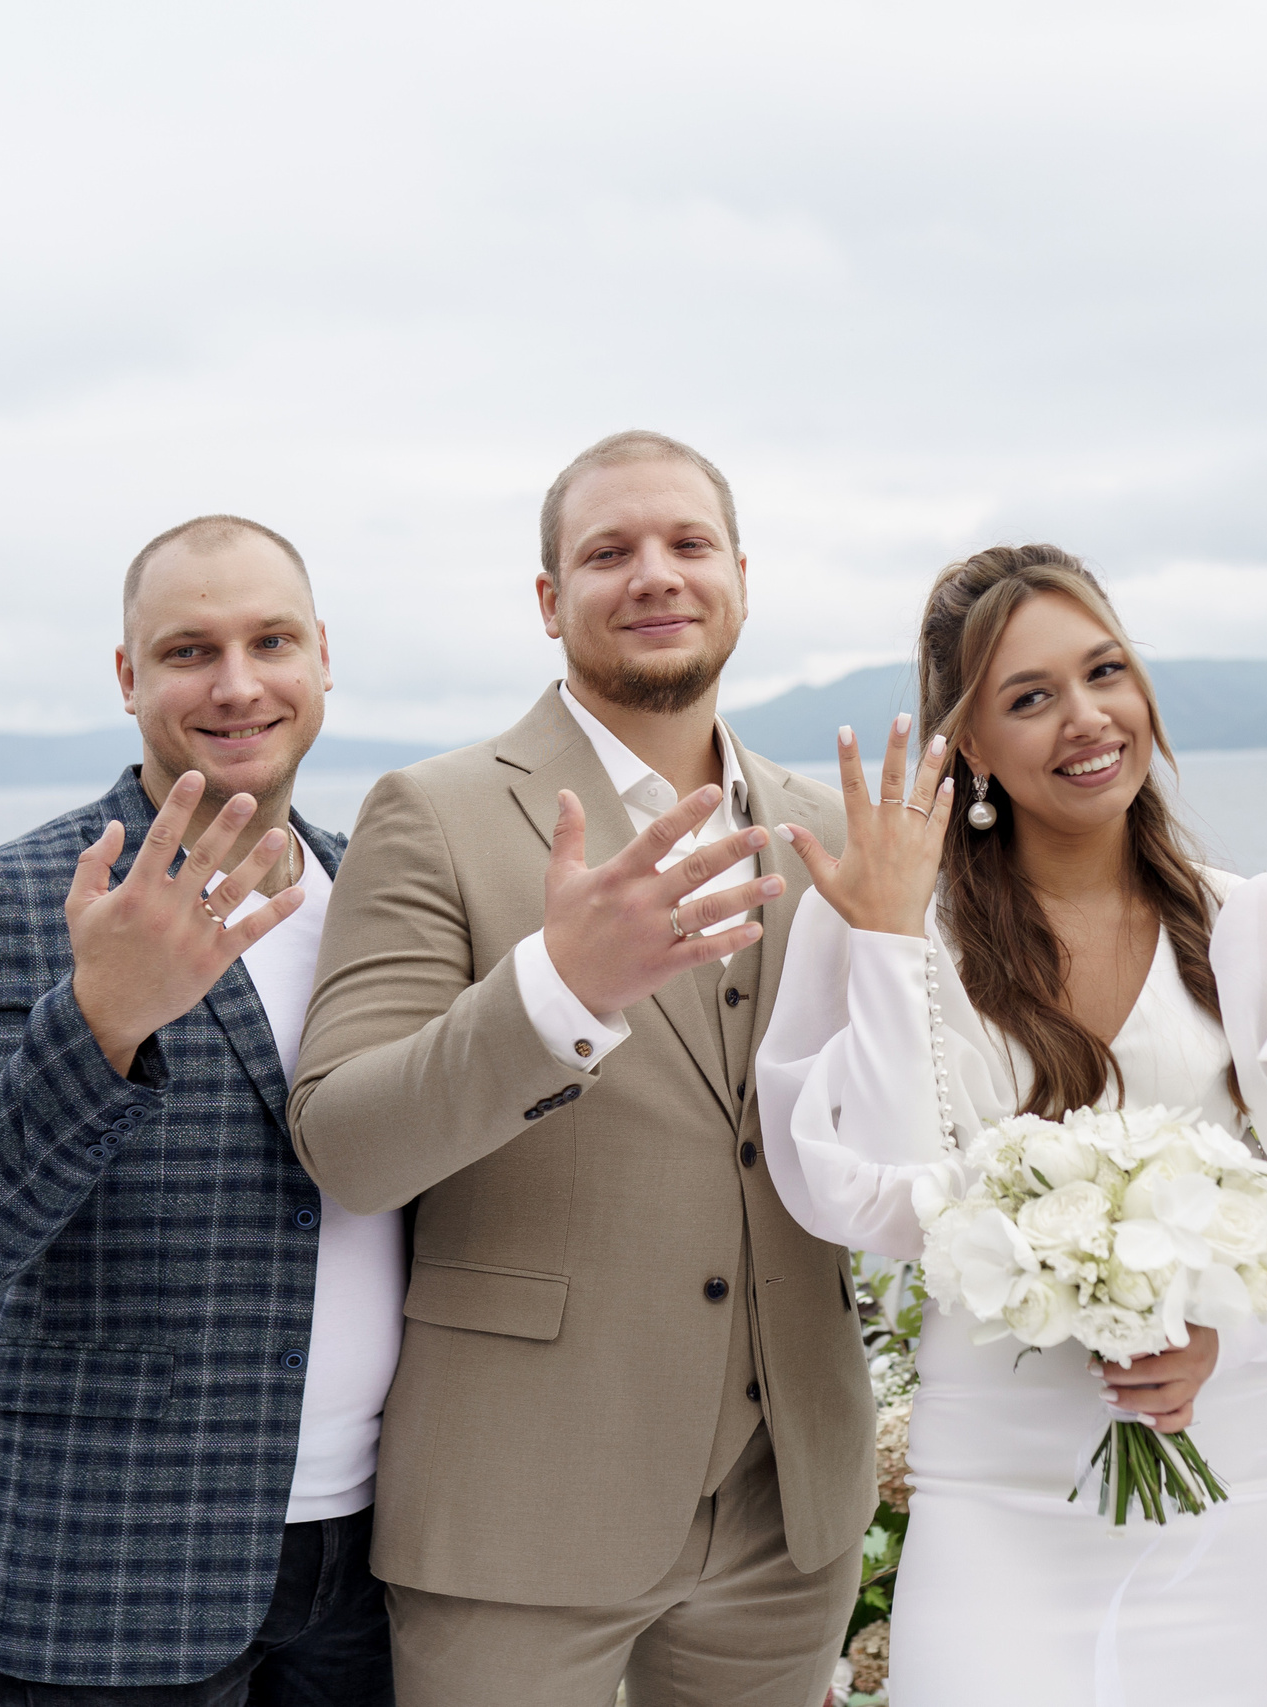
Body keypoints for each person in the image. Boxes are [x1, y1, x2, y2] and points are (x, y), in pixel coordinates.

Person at [286, 430, 875, 1707]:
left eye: (687, 543)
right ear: (551, 602)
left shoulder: (826, 830)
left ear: (739, 579)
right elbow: (345, 1141)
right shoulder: (431, 812)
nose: (654, 575)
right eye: (608, 552)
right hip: (520, 1510)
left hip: (789, 1515)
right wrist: (559, 991)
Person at [754, 544, 1267, 1707]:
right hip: (995, 1497)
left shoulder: (1254, 925)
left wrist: (1223, 1337)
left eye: (1106, 672)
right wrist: (893, 945)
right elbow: (876, 1206)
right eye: (1029, 698)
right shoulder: (884, 924)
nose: (1088, 718)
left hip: (1236, 1491)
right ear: (972, 747)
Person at [0, 516, 400, 1704]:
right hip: (109, 1583)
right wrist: (102, 1022)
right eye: (185, 651)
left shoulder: (383, 897)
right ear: (128, 678)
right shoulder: (17, 897)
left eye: (271, 640)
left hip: (378, 1570)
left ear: (322, 656)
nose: (235, 684)